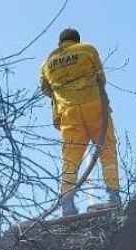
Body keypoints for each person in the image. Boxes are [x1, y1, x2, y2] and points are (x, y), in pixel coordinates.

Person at [40, 28, 121, 216]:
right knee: (107, 149)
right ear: (76, 40)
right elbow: (101, 77)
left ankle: (67, 204)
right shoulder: (87, 50)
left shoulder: (47, 63)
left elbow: (46, 89)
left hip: (69, 114)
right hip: (94, 106)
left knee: (70, 159)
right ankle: (113, 196)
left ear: (60, 43)